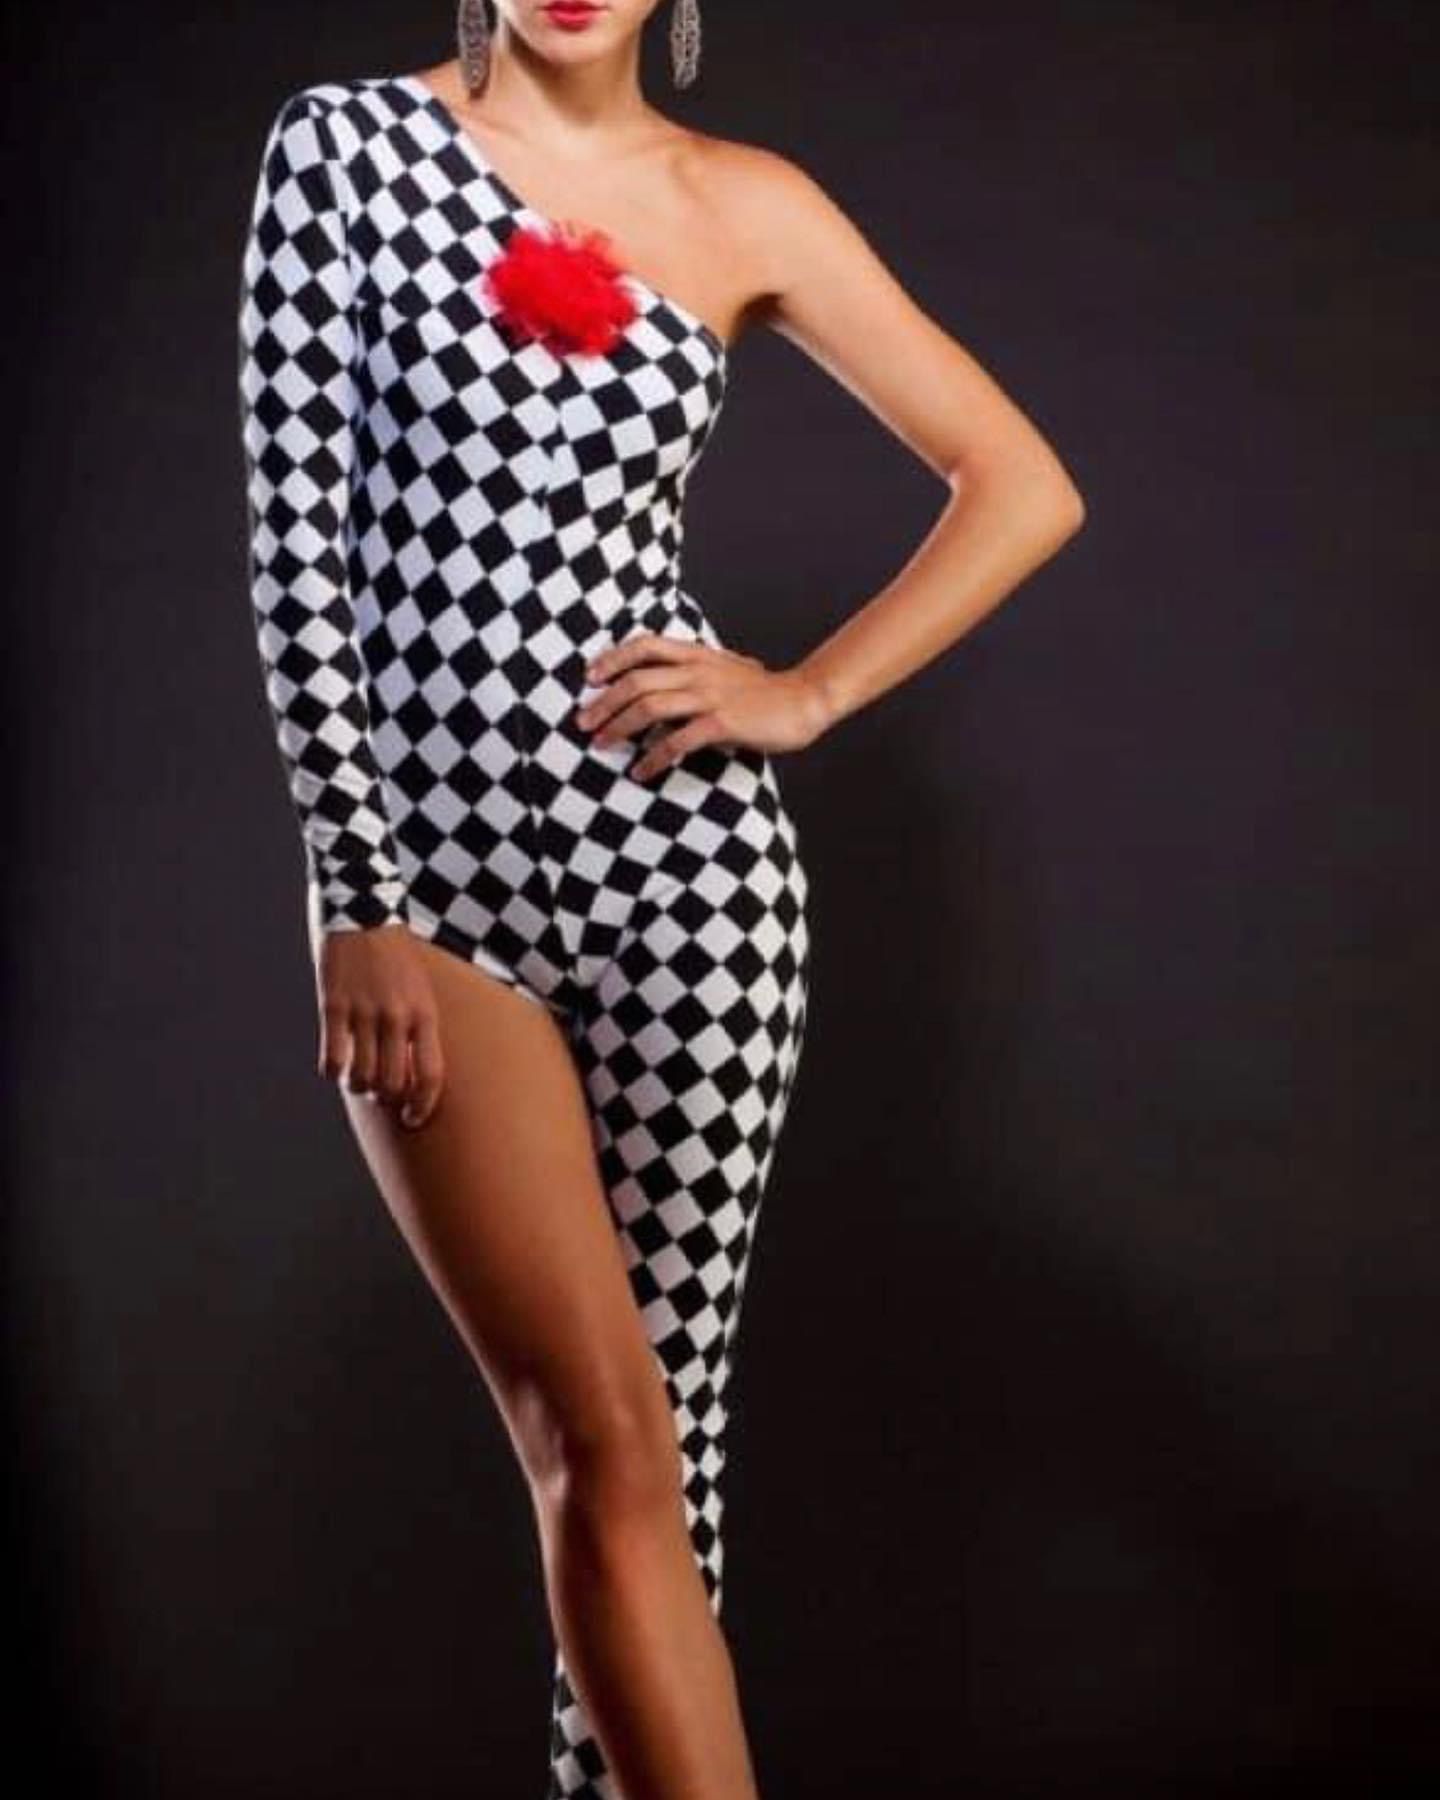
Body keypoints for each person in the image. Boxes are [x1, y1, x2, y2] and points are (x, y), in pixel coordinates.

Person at [235, 4, 1084, 1796]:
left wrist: (809, 692)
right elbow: (295, 551)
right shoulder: (343, 149)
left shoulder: (745, 201)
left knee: (660, 1455)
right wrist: (356, 891)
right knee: (591, 1435)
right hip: (434, 885)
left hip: (689, 886)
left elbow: (1022, 483)